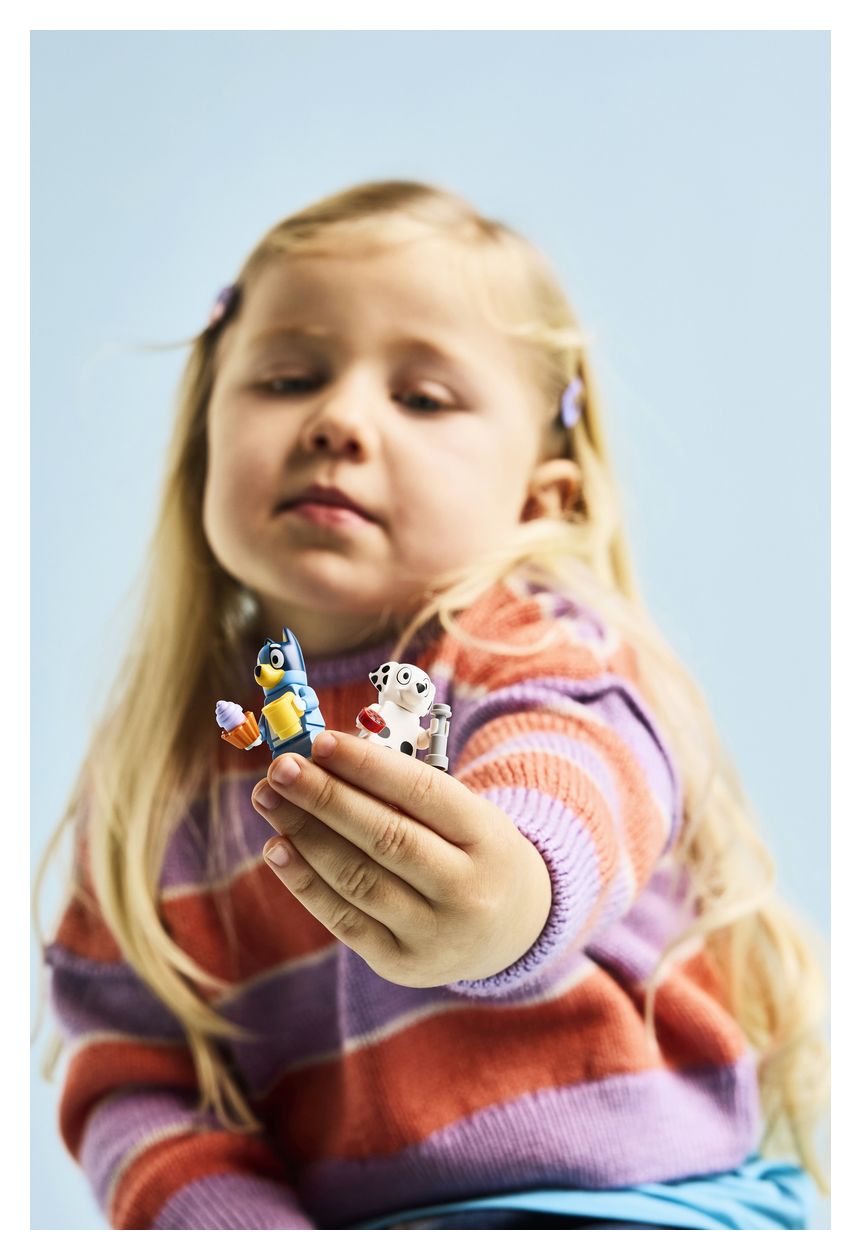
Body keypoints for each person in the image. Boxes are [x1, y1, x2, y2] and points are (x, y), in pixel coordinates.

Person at [36, 180, 828, 1230]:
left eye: (422, 398)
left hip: (643, 1210)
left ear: (543, 499)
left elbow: (579, 766)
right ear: (200, 446)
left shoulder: (541, 647)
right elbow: (135, 1080)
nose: (338, 421)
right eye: (287, 376)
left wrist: (511, 900)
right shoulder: (154, 774)